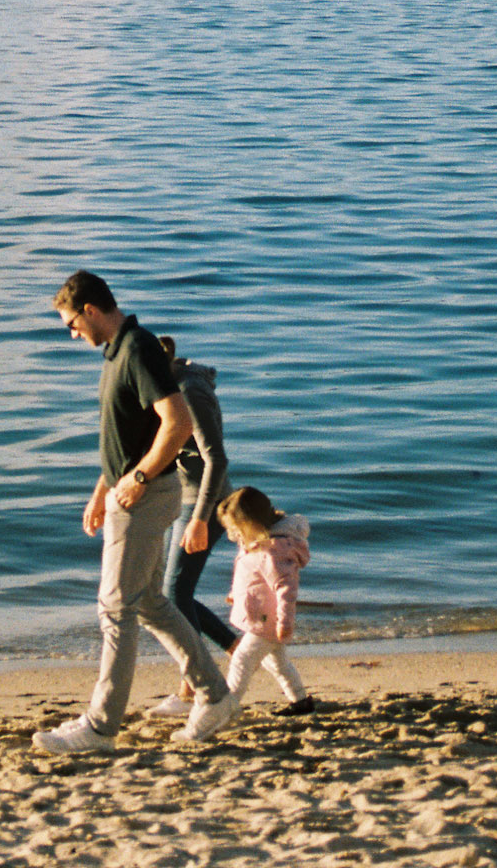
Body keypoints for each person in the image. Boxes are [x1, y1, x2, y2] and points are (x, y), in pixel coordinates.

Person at [32, 272, 236, 756]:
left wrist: (138, 479)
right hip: (130, 493)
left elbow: (178, 422)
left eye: (70, 324)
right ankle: (215, 693)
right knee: (149, 603)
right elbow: (132, 434)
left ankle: (101, 727)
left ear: (90, 310)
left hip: (145, 498)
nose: (71, 334)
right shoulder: (119, 352)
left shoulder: (139, 348)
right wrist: (102, 488)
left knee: (115, 608)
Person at [148, 334, 239, 718]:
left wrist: (201, 518)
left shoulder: (190, 391)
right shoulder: (164, 389)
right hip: (179, 501)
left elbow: (216, 460)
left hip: (206, 502)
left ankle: (190, 689)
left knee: (172, 596)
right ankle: (235, 648)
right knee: (170, 594)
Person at [217, 484, 315, 716]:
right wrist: (236, 593)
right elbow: (249, 573)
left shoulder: (274, 551)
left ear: (253, 524)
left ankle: (227, 707)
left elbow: (286, 591)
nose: (235, 536)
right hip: (261, 614)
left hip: (268, 621)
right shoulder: (256, 544)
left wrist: (285, 623)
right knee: (276, 663)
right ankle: (300, 701)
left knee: (242, 659)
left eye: (238, 530)